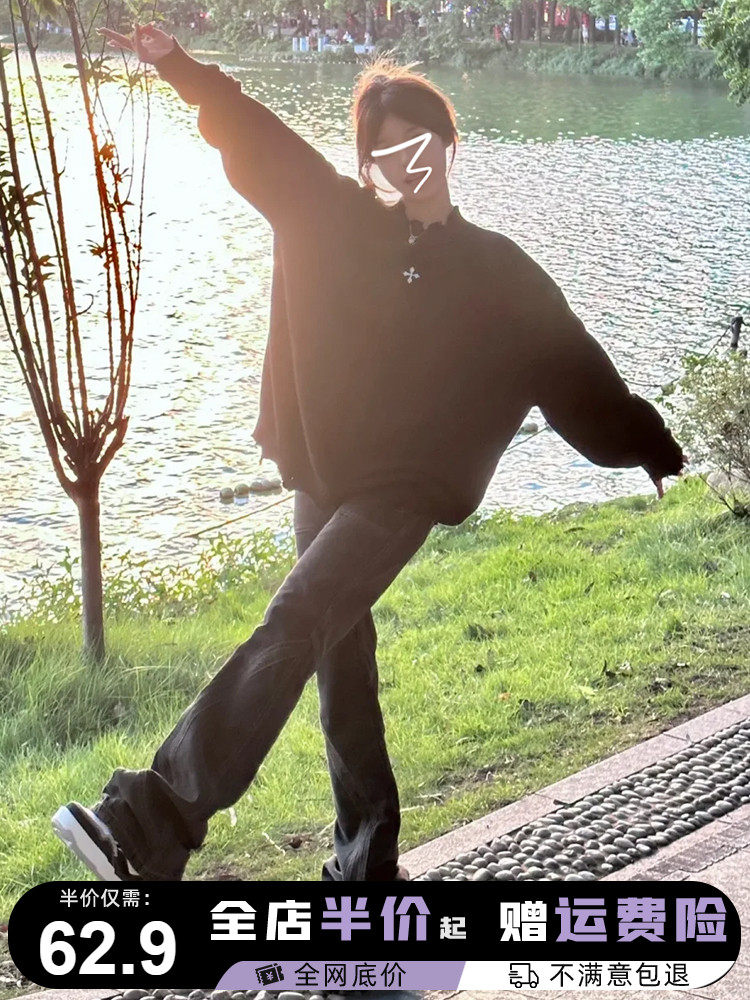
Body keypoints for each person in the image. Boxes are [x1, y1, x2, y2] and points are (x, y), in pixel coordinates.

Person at [52, 21, 686, 883]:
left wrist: (649, 444)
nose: (407, 166)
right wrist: (179, 65)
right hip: (324, 475)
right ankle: (367, 868)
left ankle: (152, 824)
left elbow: (577, 370)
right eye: (385, 154)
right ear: (368, 167)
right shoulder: (338, 219)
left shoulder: (498, 270)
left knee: (296, 618)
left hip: (404, 491)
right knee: (339, 667)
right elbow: (259, 138)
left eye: (420, 144)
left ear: (450, 144)